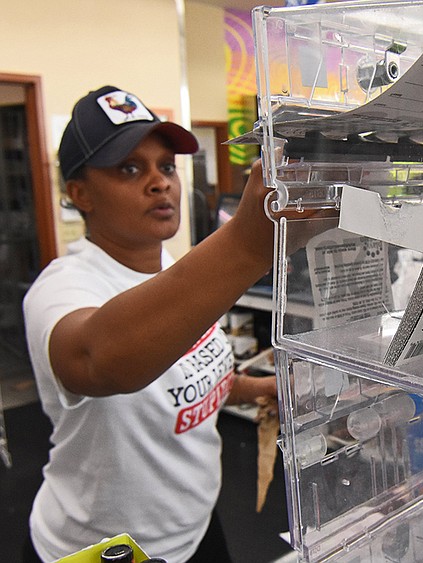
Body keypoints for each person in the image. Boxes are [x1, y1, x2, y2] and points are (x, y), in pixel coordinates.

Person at [21, 85, 295, 563]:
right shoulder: (62, 288)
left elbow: (181, 376)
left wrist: (256, 389)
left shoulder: (174, 270)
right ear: (78, 193)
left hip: (195, 526)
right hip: (108, 549)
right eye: (130, 168)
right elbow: (97, 361)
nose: (159, 182)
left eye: (165, 166)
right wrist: (250, 245)